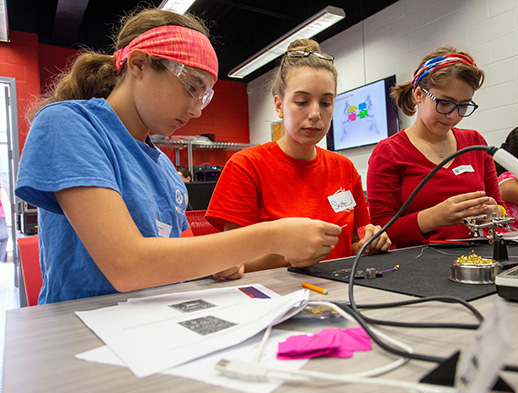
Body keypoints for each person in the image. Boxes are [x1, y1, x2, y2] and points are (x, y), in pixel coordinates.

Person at [15, 8, 341, 304]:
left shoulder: (165, 169)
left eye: (205, 95)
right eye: (191, 86)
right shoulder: (69, 124)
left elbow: (179, 258)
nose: (197, 109)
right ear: (139, 64)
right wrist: (273, 236)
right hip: (78, 330)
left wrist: (216, 265)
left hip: (158, 320)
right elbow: (127, 265)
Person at [206, 39, 391, 271]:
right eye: (302, 102)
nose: (315, 113)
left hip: (340, 292)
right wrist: (290, 255)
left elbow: (353, 244)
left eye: (325, 102)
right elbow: (231, 263)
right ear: (279, 105)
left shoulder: (344, 168)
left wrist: (370, 244)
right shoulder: (247, 166)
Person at [367, 46, 504, 248]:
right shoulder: (389, 152)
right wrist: (432, 218)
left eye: (463, 106)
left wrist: (495, 214)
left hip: (475, 259)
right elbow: (381, 232)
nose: (453, 116)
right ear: (419, 95)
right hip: (418, 266)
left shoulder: (475, 143)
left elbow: (499, 207)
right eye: (444, 103)